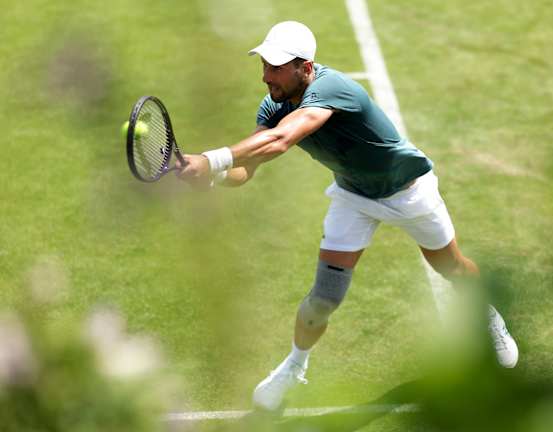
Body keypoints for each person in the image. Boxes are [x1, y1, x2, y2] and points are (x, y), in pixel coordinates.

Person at [176, 21, 518, 411]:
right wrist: (209, 178)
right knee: (323, 299)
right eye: (265, 64)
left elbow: (281, 140)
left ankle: (488, 317)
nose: (265, 75)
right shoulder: (272, 105)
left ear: (305, 68)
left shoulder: (331, 88)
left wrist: (210, 158)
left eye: (276, 66)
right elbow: (246, 169)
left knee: (452, 267)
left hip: (409, 191)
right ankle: (293, 368)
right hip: (354, 195)